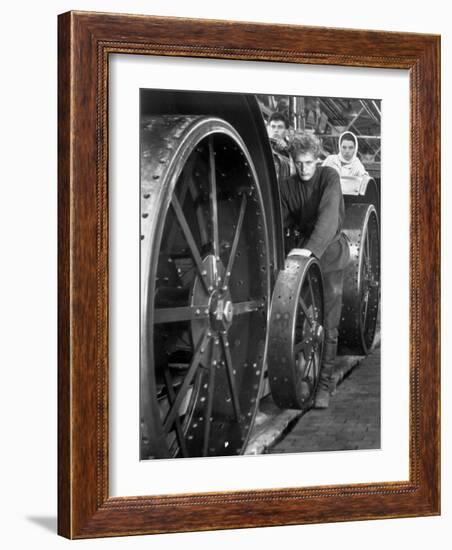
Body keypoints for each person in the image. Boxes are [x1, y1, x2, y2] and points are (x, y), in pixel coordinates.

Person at [280, 132, 350, 408]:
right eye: (299, 163)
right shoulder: (287, 186)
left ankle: (324, 386)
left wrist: (308, 251)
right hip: (304, 258)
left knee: (329, 325)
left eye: (309, 162)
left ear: (317, 160)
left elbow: (329, 217)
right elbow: (280, 219)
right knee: (305, 322)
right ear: (293, 161)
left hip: (329, 254)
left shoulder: (328, 177)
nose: (304, 169)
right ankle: (304, 375)